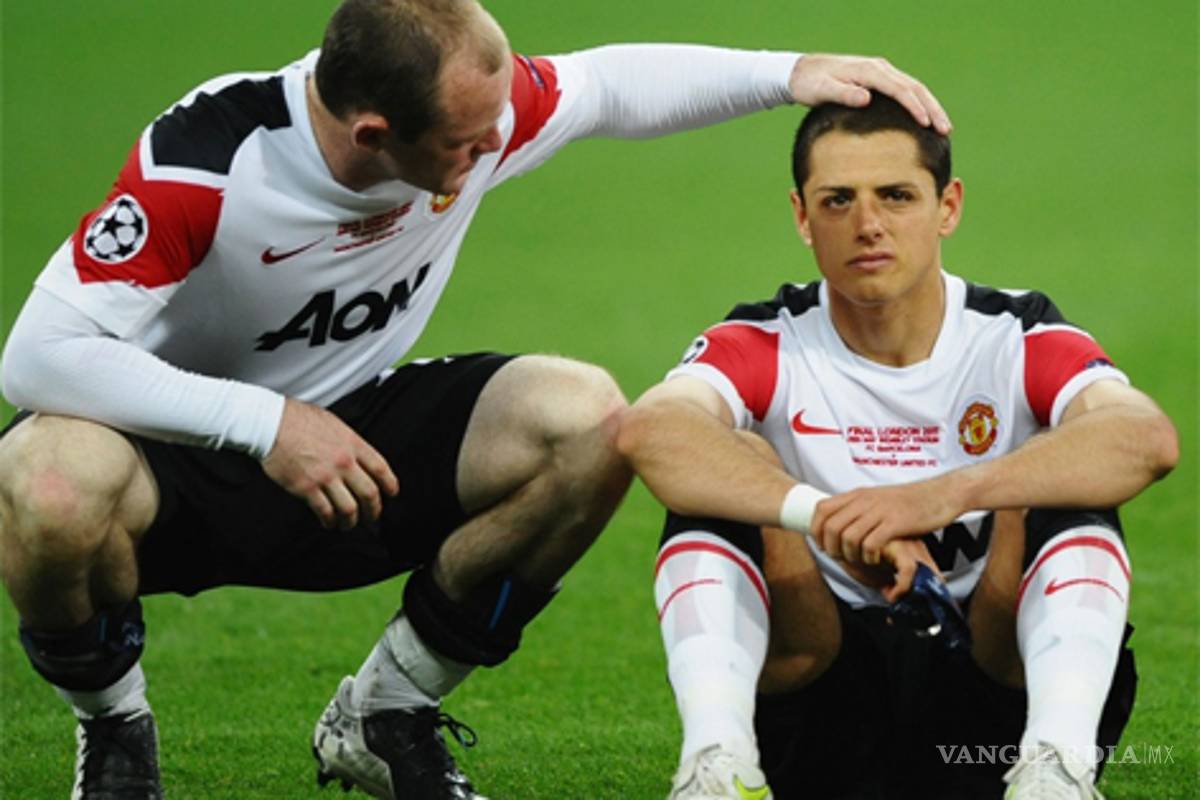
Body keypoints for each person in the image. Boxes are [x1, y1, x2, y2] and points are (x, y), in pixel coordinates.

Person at [0, 1, 956, 798]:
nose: (498, 144)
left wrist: (790, 73)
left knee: (587, 419)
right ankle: (115, 732)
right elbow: (39, 356)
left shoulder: (473, 114)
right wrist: (267, 424)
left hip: (355, 447)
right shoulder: (206, 164)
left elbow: (607, 85)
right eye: (467, 142)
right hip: (173, 463)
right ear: (373, 133)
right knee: (44, 479)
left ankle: (388, 713)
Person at [616, 94, 1179, 799]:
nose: (868, 225)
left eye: (896, 195)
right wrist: (825, 515)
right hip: (819, 704)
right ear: (801, 216)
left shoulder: (1014, 333)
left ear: (948, 206)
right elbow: (649, 431)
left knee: (1061, 471)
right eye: (837, 201)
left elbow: (1144, 439)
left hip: (990, 704)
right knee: (727, 471)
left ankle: (1055, 770)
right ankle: (717, 766)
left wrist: (941, 496)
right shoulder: (767, 339)